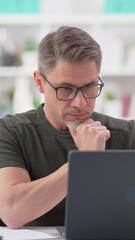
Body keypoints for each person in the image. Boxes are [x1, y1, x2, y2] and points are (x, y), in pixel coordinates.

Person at [0, 26, 135, 229]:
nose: (80, 103)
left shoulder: (127, 135)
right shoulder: (11, 131)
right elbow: (13, 212)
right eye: (66, 89)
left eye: (89, 86)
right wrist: (84, 162)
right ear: (39, 82)